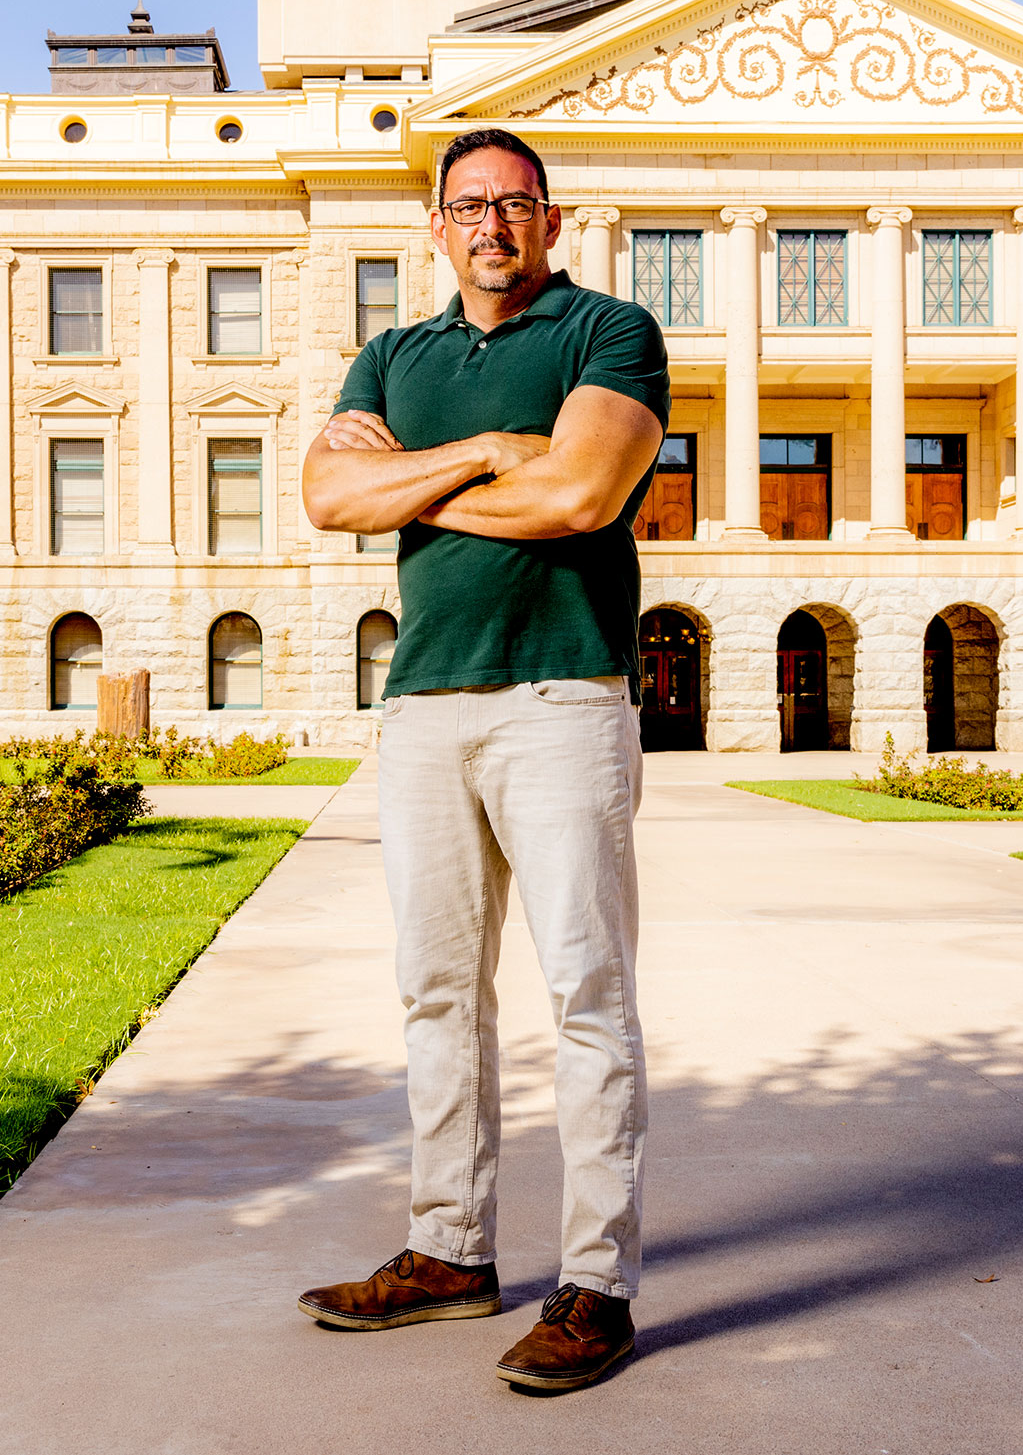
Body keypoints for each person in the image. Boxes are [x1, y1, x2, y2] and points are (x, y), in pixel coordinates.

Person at [296, 126, 669, 1392]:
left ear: (552, 223)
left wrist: (405, 481)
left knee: (586, 995)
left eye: (516, 204)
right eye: (468, 206)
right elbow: (327, 498)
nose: (491, 225)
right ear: (438, 227)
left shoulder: (608, 332)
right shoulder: (395, 352)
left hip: (562, 694)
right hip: (424, 705)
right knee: (436, 995)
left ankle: (597, 1284)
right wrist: (487, 454)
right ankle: (450, 1252)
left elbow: (580, 498)